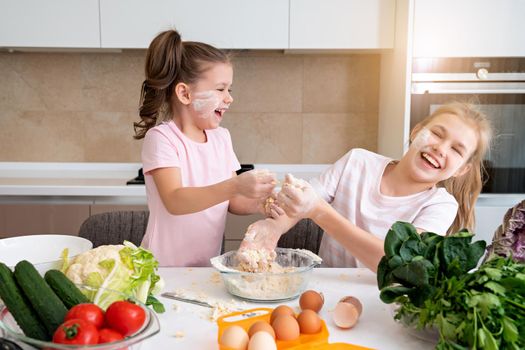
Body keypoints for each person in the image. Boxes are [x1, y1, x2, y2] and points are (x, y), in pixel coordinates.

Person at [239, 102, 493, 272]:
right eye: (437, 134)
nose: (440, 147)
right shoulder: (357, 162)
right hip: (328, 289)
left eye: (456, 150)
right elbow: (303, 201)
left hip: (385, 306)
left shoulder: (440, 206)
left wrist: (318, 212)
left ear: (462, 169)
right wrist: (272, 227)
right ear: (417, 132)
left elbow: (396, 263)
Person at [133, 30, 276, 266]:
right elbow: (175, 200)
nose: (229, 98)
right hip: (163, 269)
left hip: (205, 268)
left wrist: (262, 202)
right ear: (185, 93)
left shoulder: (221, 138)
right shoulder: (162, 138)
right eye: (220, 89)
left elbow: (232, 201)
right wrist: (236, 185)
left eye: (230, 89)